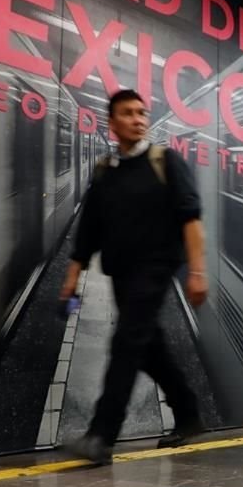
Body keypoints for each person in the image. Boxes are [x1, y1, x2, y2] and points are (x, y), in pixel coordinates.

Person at [61, 88, 208, 465]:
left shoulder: (166, 162)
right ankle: (189, 414)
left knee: (126, 342)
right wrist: (72, 275)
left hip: (156, 268)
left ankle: (101, 435)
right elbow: (88, 231)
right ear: (112, 123)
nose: (138, 119)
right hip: (121, 273)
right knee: (148, 348)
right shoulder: (105, 172)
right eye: (128, 113)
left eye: (142, 112)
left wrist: (197, 271)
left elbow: (191, 218)